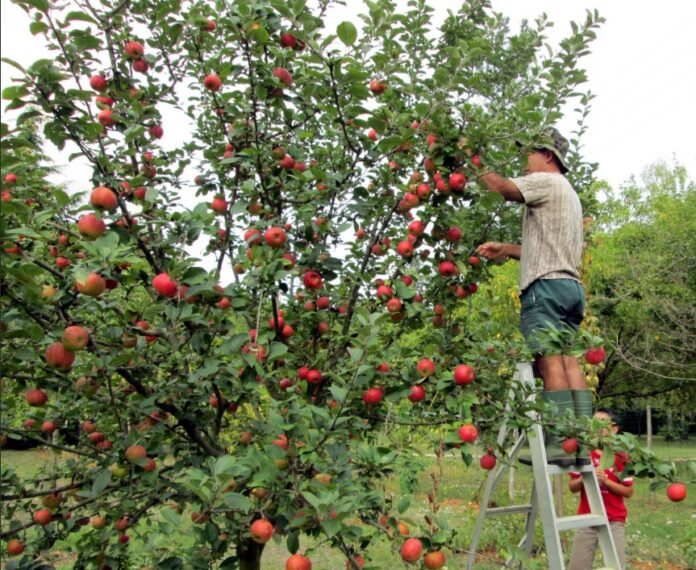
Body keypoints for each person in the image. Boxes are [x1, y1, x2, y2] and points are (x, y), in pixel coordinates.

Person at [475, 127, 592, 466]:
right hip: (570, 289)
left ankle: (558, 447)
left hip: (544, 289)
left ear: (548, 156)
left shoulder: (547, 181)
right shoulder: (569, 194)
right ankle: (579, 446)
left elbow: (503, 189)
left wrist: (472, 158)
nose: (524, 163)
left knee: (549, 362)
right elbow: (545, 249)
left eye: (528, 153)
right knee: (570, 361)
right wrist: (507, 249)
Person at [567, 409, 634, 570]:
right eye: (594, 422)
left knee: (615, 567)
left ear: (614, 429)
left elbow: (628, 492)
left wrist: (606, 481)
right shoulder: (584, 454)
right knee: (577, 566)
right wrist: (585, 478)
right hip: (587, 518)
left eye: (603, 422)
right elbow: (572, 487)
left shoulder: (621, 456)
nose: (598, 427)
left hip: (614, 520)